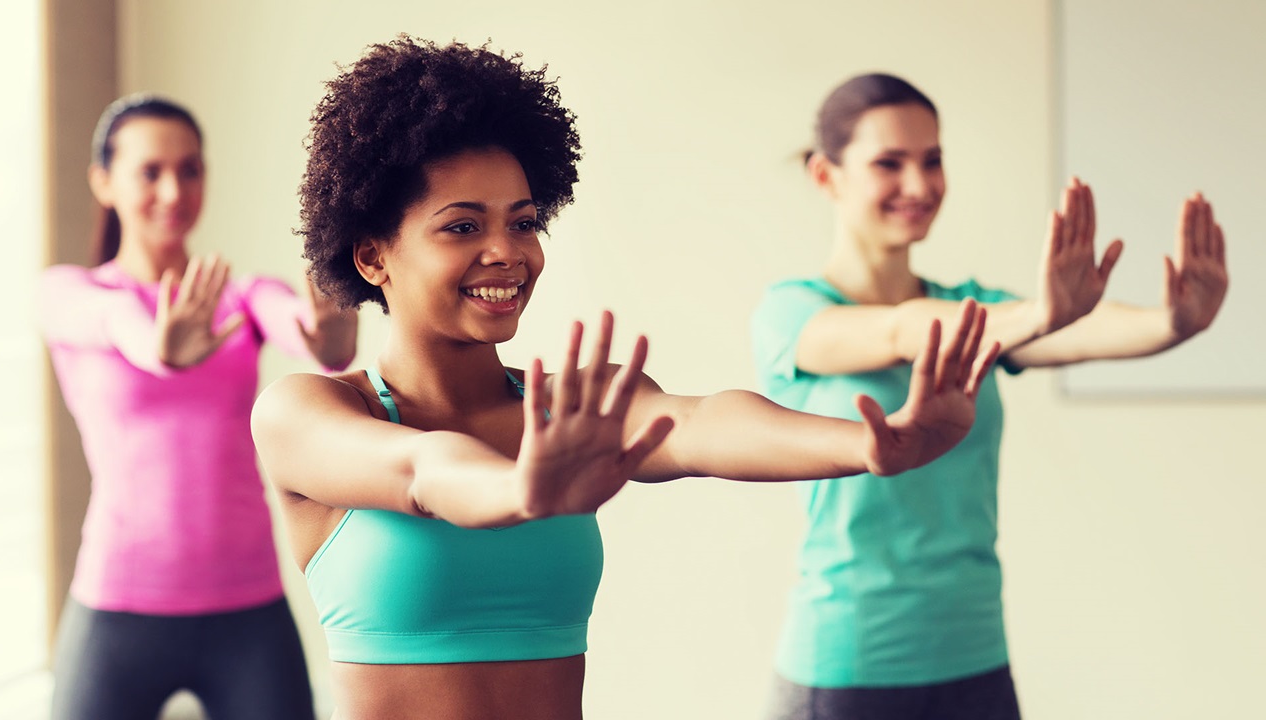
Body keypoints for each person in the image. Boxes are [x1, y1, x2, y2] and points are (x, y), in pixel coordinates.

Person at [248, 37, 1002, 720]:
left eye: (523, 220)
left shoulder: (565, 407)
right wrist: (520, 492)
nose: (508, 251)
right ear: (373, 254)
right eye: (463, 226)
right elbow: (422, 469)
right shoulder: (305, 412)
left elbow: (704, 424)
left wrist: (872, 446)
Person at [752, 73, 1229, 720]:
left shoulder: (976, 308)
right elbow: (901, 330)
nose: (919, 186)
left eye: (932, 160)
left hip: (975, 659)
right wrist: (1038, 316)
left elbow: (1082, 334)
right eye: (889, 163)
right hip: (847, 667)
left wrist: (1173, 323)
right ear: (824, 175)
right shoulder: (793, 312)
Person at [40, 94, 359, 720]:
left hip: (249, 612)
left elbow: (308, 329)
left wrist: (332, 338)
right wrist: (162, 350)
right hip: (117, 608)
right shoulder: (69, 294)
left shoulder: (245, 296)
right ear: (104, 182)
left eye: (190, 169)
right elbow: (117, 321)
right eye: (150, 171)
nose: (173, 190)